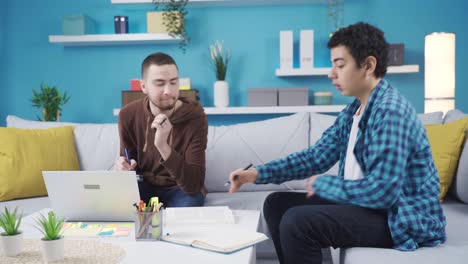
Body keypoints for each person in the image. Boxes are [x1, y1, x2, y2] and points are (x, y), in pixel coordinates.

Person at [227, 22, 446, 264]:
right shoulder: (355, 110)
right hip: (366, 205)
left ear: (368, 65)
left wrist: (327, 185)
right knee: (277, 204)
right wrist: (257, 174)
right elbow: (316, 157)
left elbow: (383, 192)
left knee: (297, 223)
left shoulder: (391, 112)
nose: (331, 73)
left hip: (399, 216)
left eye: (340, 65)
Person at [115, 52, 208, 207]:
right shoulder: (127, 115)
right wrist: (122, 167)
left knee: (190, 204)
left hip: (181, 189)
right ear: (143, 86)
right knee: (117, 203)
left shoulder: (195, 117)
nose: (168, 91)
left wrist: (163, 146)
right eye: (160, 83)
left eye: (173, 82)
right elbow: (127, 163)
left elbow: (193, 185)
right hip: (144, 186)